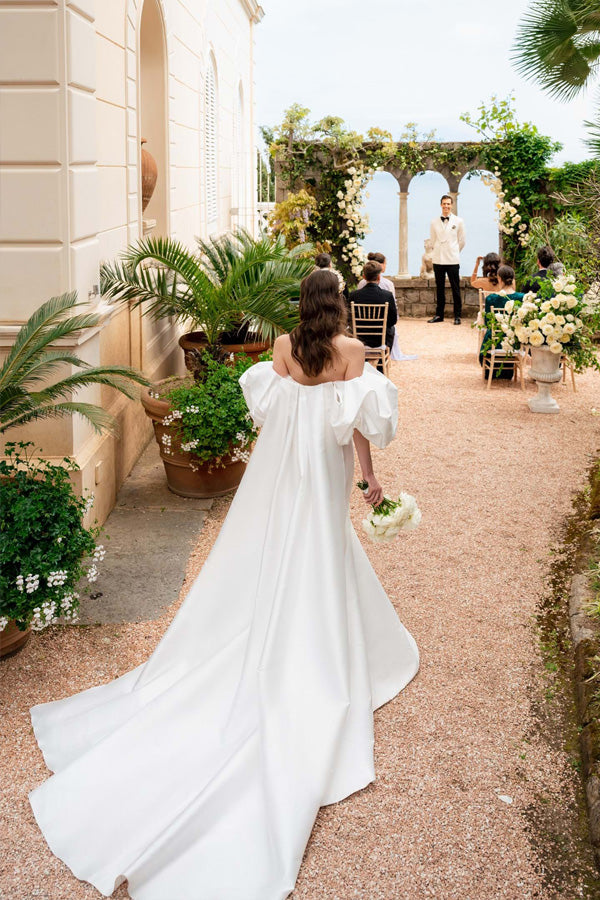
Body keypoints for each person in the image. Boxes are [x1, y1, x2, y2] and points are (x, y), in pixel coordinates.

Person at [28, 268, 419, 900]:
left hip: (288, 472)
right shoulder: (353, 352)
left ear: (302, 304)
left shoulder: (286, 347)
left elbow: (272, 412)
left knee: (281, 547)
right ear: (339, 304)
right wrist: (367, 481)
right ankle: (321, 649)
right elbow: (356, 428)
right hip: (323, 472)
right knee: (322, 548)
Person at [479, 264, 524, 374]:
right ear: (513, 280)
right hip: (514, 341)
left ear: (499, 279)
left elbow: (488, 323)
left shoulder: (491, 298)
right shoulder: (522, 297)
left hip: (495, 341)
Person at [428, 194, 466, 325]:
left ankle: (457, 316)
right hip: (438, 259)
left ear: (452, 205)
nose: (446, 206)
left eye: (448, 204)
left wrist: (453, 250)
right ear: (441, 205)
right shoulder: (434, 222)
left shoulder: (459, 221)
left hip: (453, 259)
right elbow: (432, 240)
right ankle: (439, 315)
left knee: (456, 288)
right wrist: (438, 251)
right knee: (439, 289)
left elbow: (462, 241)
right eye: (444, 204)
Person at [348, 259, 397, 357]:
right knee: (392, 329)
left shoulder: (354, 295)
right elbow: (393, 320)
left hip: (359, 337)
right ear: (379, 277)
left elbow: (348, 318)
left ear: (364, 277)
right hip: (380, 339)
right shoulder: (387, 295)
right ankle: (380, 363)